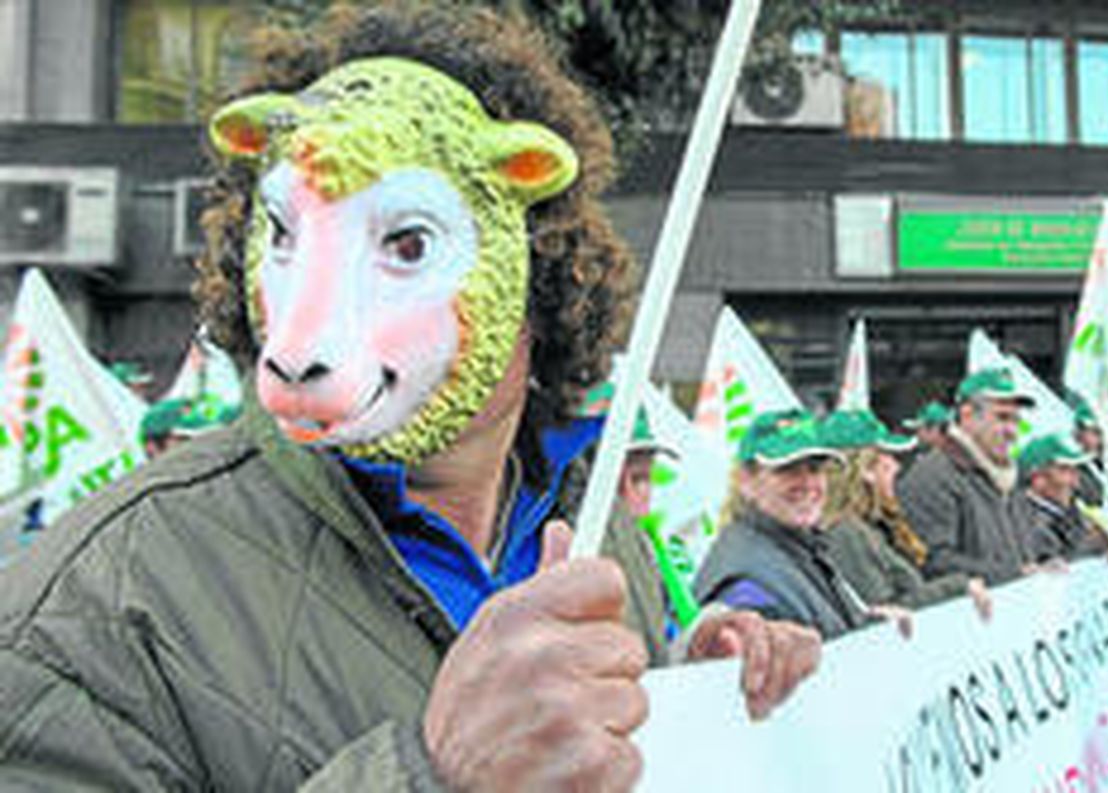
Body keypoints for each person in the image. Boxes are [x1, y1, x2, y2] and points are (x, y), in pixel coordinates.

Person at [0, 7, 815, 789]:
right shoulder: (94, 604)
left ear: (531, 269)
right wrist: (431, 776)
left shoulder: (594, 520)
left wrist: (686, 693)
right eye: (282, 236)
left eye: (407, 244)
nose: (296, 343)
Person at [695, 410, 876, 640]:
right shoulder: (745, 582)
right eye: (788, 469)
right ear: (746, 480)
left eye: (815, 468)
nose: (808, 483)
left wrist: (873, 623)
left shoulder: (798, 546)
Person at [819, 408, 992, 628]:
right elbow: (885, 615)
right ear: (866, 470)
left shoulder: (870, 526)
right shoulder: (846, 534)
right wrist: (958, 587)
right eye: (887, 457)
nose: (896, 466)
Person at [898, 367, 1034, 585]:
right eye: (1002, 418)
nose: (1012, 431)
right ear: (967, 415)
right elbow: (933, 561)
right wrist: (1014, 575)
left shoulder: (1006, 478)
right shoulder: (933, 477)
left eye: (1015, 420)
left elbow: (1025, 551)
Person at [1013, 432, 1108, 562]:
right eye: (1065, 470)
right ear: (1038, 479)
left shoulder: (1069, 510)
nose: (1075, 481)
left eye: (1076, 469)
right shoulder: (1028, 525)